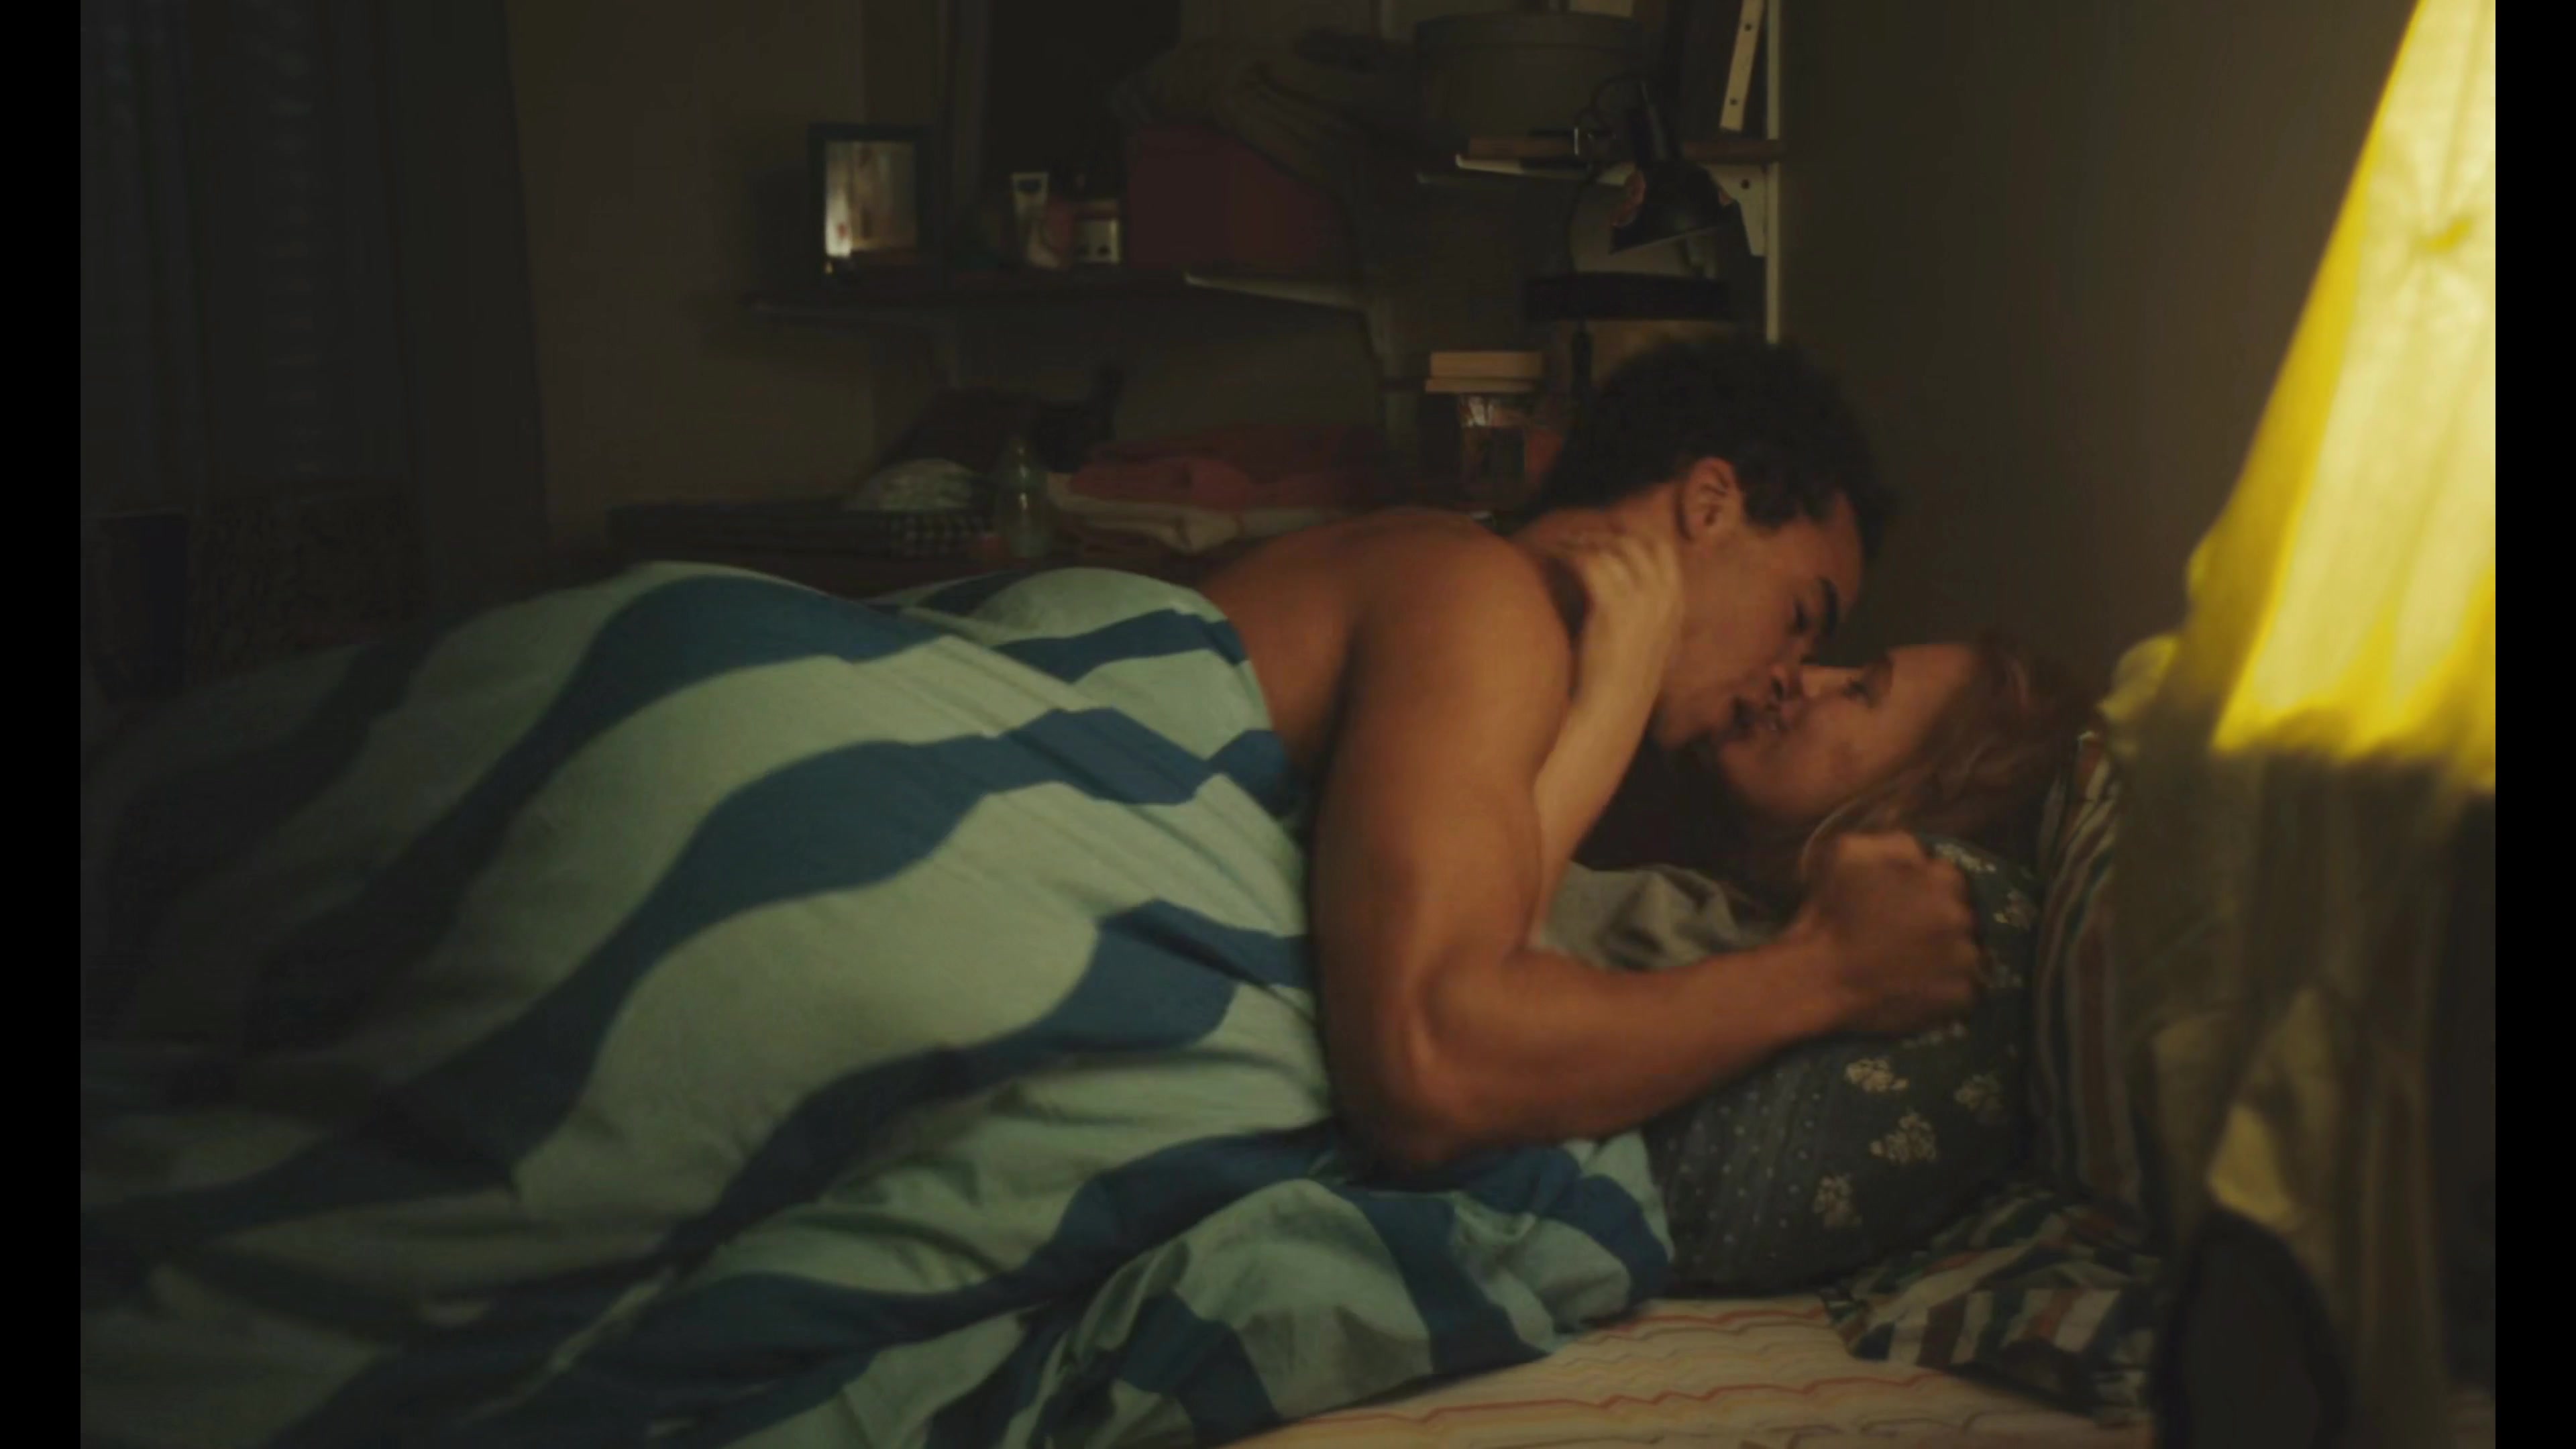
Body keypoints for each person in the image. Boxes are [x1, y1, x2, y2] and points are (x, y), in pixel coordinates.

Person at [1197, 336, 1989, 1171]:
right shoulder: (1478, 593)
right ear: (1711, 504)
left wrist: (1613, 700)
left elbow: (1467, 969)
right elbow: (1432, 1062)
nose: (1789, 676)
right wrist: (1833, 972)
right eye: (1799, 617)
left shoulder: (1482, 630)